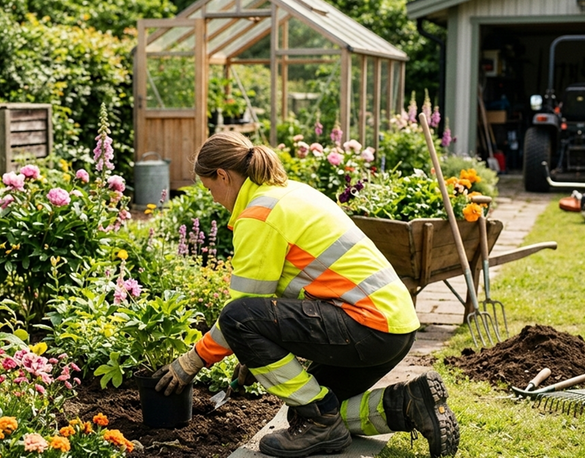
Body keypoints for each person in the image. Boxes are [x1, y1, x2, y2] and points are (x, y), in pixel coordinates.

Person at [154, 132, 459, 457]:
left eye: (209, 187)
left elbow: (240, 314)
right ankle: (411, 403)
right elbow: (286, 300)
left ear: (224, 176)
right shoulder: (290, 193)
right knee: (307, 409)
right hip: (395, 328)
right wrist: (256, 349)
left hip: (368, 327)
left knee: (246, 331)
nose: (213, 197)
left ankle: (323, 423)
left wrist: (191, 361)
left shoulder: (260, 217)